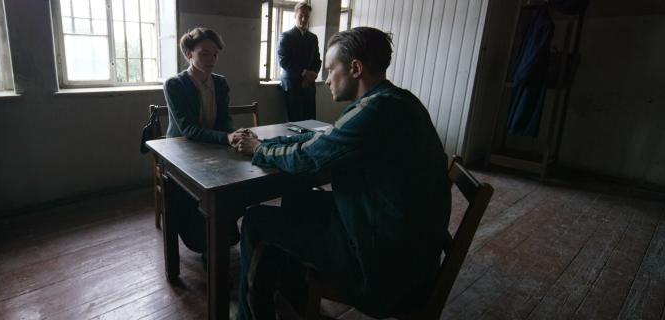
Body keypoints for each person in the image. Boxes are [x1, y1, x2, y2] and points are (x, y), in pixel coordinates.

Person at [233, 27, 451, 319]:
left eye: (331, 69)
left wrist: (258, 150)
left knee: (257, 221)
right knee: (300, 200)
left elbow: (309, 158)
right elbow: (326, 140)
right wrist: (265, 142)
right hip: (401, 244)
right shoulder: (397, 100)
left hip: (379, 266)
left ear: (356, 68)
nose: (325, 79)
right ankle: (295, 291)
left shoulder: (375, 112)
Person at [162, 27, 251, 257]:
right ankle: (204, 244)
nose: (211, 60)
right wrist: (226, 137)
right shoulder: (174, 84)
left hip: (213, 148)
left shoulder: (220, 83)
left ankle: (221, 232)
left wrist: (236, 134)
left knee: (238, 181)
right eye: (204, 54)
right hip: (181, 152)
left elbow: (224, 120)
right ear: (188, 54)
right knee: (193, 195)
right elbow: (188, 130)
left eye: (215, 54)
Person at [277, 1, 322, 121]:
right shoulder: (286, 36)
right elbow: (284, 61)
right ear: (295, 16)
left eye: (306, 16)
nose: (303, 19)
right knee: (295, 122)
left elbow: (317, 60)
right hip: (292, 85)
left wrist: (313, 75)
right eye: (300, 15)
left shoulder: (313, 38)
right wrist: (304, 74)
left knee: (310, 121)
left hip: (310, 85)